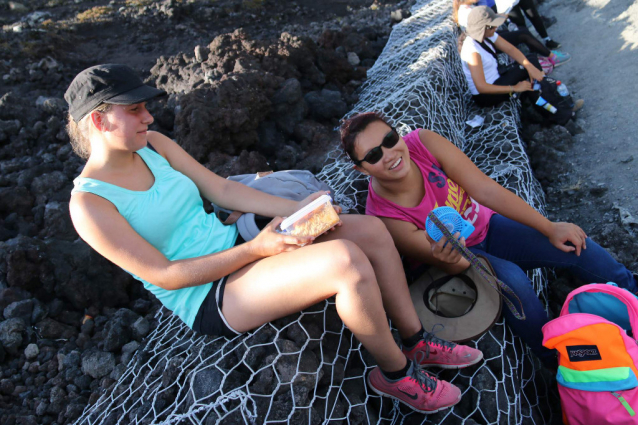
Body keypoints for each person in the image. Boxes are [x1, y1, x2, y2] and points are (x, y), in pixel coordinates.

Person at [64, 64, 484, 414]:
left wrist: (300, 211)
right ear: (99, 120)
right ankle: (394, 376)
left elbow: (223, 191)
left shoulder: (153, 145)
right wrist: (257, 248)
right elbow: (166, 274)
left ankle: (415, 340)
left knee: (367, 230)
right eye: (135, 110)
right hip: (211, 294)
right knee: (345, 262)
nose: (148, 118)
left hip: (236, 245)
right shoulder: (90, 204)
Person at [339, 112, 638, 368]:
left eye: (390, 139)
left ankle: (631, 299)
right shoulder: (384, 215)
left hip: (487, 226)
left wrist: (549, 227)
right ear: (361, 169)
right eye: (374, 155)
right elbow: (453, 263)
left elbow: (484, 189)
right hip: (461, 260)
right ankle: (564, 363)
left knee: (574, 245)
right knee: (516, 284)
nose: (389, 154)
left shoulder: (423, 143)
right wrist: (451, 258)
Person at [460, 6, 548, 107]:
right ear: (484, 28)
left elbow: (511, 49)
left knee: (530, 61)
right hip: (486, 96)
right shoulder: (473, 52)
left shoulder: (487, 35)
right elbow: (481, 87)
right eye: (493, 26)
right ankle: (553, 108)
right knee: (529, 66)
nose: (496, 28)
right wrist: (514, 88)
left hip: (497, 79)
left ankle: (542, 101)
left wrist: (530, 67)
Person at [453, 0, 571, 67]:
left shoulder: (467, 8)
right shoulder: (468, 12)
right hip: (487, 42)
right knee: (522, 33)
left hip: (487, 39)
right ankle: (551, 58)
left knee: (521, 31)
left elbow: (486, 29)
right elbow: (484, 31)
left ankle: (543, 53)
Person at [495, 0, 560, 49]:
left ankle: (547, 40)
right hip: (506, 3)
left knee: (533, 15)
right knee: (520, 24)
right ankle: (533, 47)